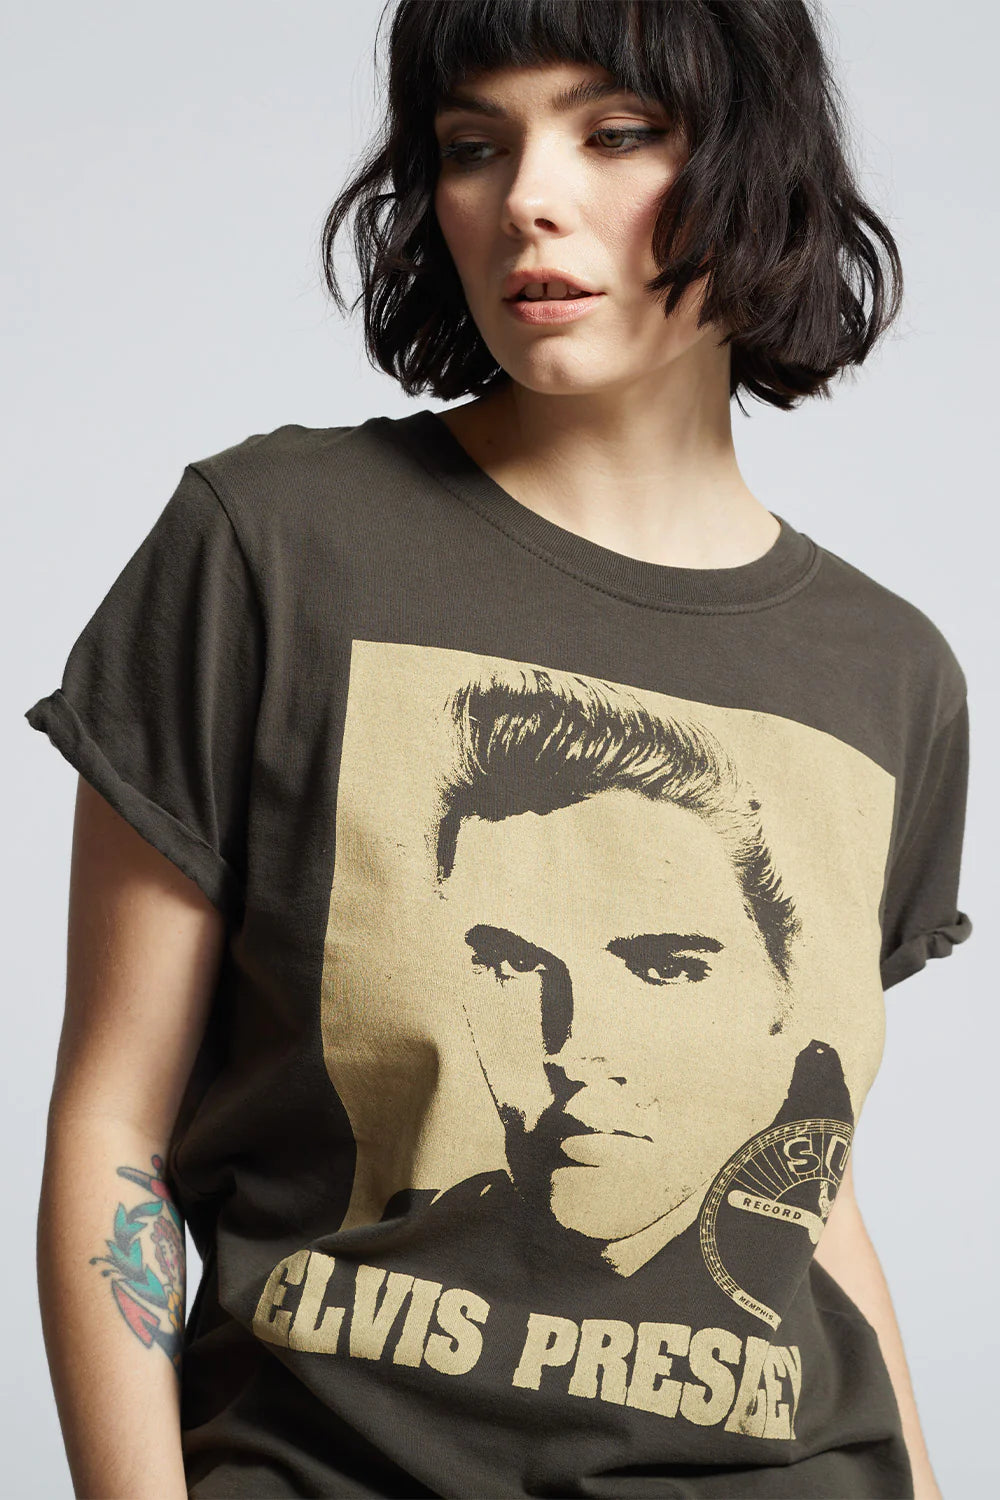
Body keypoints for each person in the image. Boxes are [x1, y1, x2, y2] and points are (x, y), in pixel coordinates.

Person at [25, 2, 972, 1497]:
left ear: (757, 163)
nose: (529, 195)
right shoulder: (271, 550)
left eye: (616, 132)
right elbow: (113, 1129)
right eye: (475, 144)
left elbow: (811, 1186)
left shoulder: (888, 674)